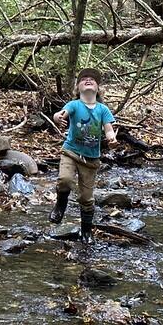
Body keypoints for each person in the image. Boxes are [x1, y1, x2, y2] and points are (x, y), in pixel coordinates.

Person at [49, 67, 118, 244]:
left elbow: (109, 129)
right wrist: (59, 117)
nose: (88, 80)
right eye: (84, 79)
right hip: (71, 152)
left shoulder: (103, 109)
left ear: (98, 89)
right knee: (64, 180)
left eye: (92, 79)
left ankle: (86, 231)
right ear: (78, 87)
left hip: (91, 159)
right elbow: (60, 114)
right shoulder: (74, 105)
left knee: (87, 198)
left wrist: (111, 139)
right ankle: (60, 206)